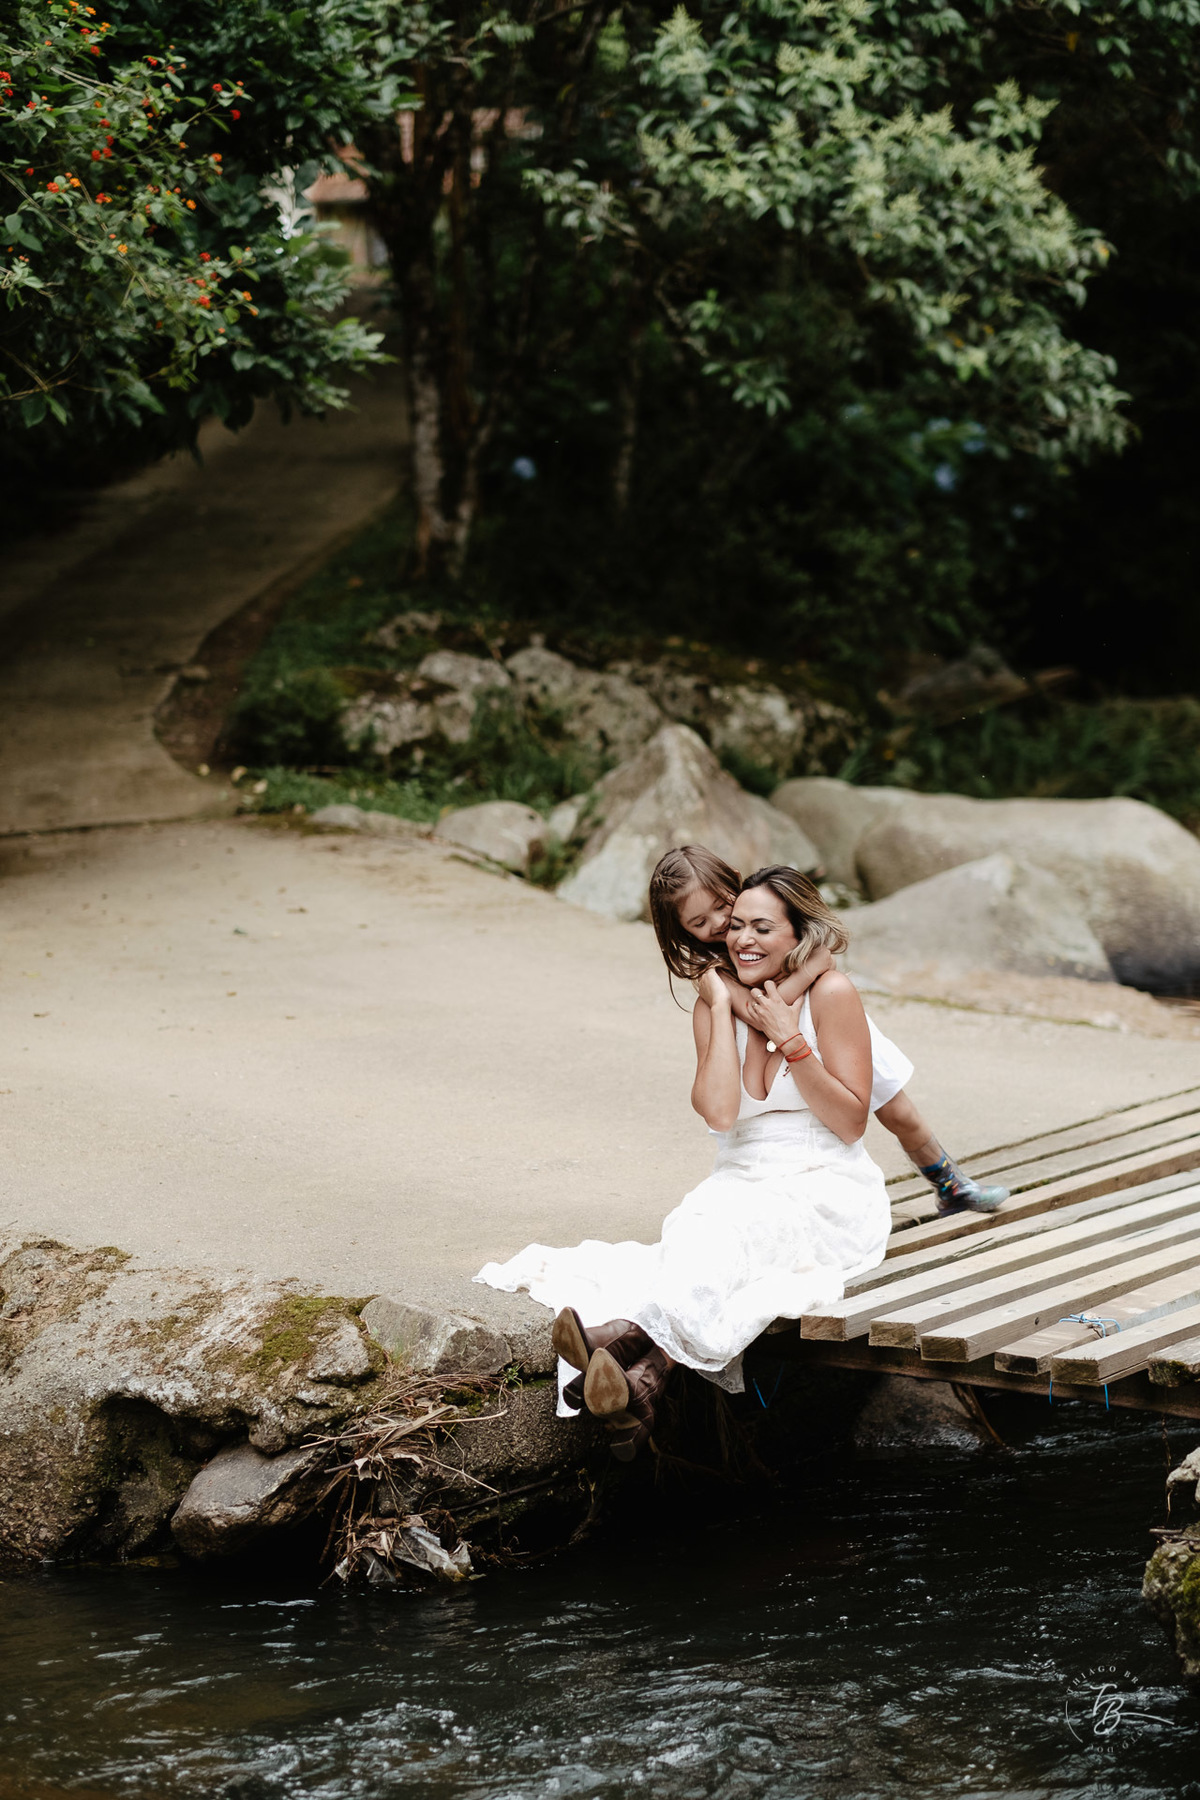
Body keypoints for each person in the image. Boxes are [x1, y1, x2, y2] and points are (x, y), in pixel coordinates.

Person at [476, 866, 897, 1462]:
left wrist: (792, 1039)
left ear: (796, 933)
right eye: (737, 928)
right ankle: (641, 1382)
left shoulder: (832, 995)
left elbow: (853, 1121)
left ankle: (621, 1337)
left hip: (826, 1187)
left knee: (743, 1229)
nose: (744, 939)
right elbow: (721, 1114)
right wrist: (723, 1006)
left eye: (762, 928)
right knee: (703, 1222)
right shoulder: (714, 1004)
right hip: (742, 1178)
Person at [648, 844, 1007, 1218]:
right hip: (784, 1026)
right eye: (699, 923)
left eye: (723, 907)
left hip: (830, 1019)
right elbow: (764, 1015)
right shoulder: (712, 972)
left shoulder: (763, 913)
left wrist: (811, 975)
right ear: (681, 930)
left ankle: (948, 1182)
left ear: (734, 885)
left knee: (899, 1110)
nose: (720, 925)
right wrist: (806, 972)